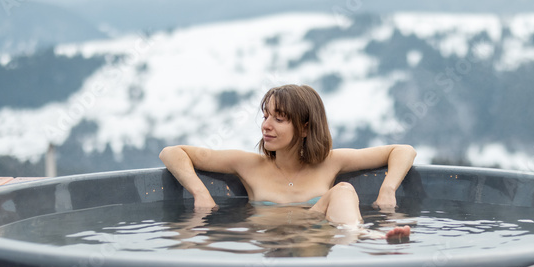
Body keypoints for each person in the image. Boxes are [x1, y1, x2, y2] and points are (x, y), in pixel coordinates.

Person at [159, 84, 415, 240]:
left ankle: (368, 236)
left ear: (305, 128)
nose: (266, 126)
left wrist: (388, 189)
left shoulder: (330, 162)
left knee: (344, 190)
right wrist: (200, 193)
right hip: (269, 244)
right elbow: (172, 152)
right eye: (265, 116)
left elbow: (403, 150)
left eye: (279, 120)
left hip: (317, 239)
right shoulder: (247, 164)